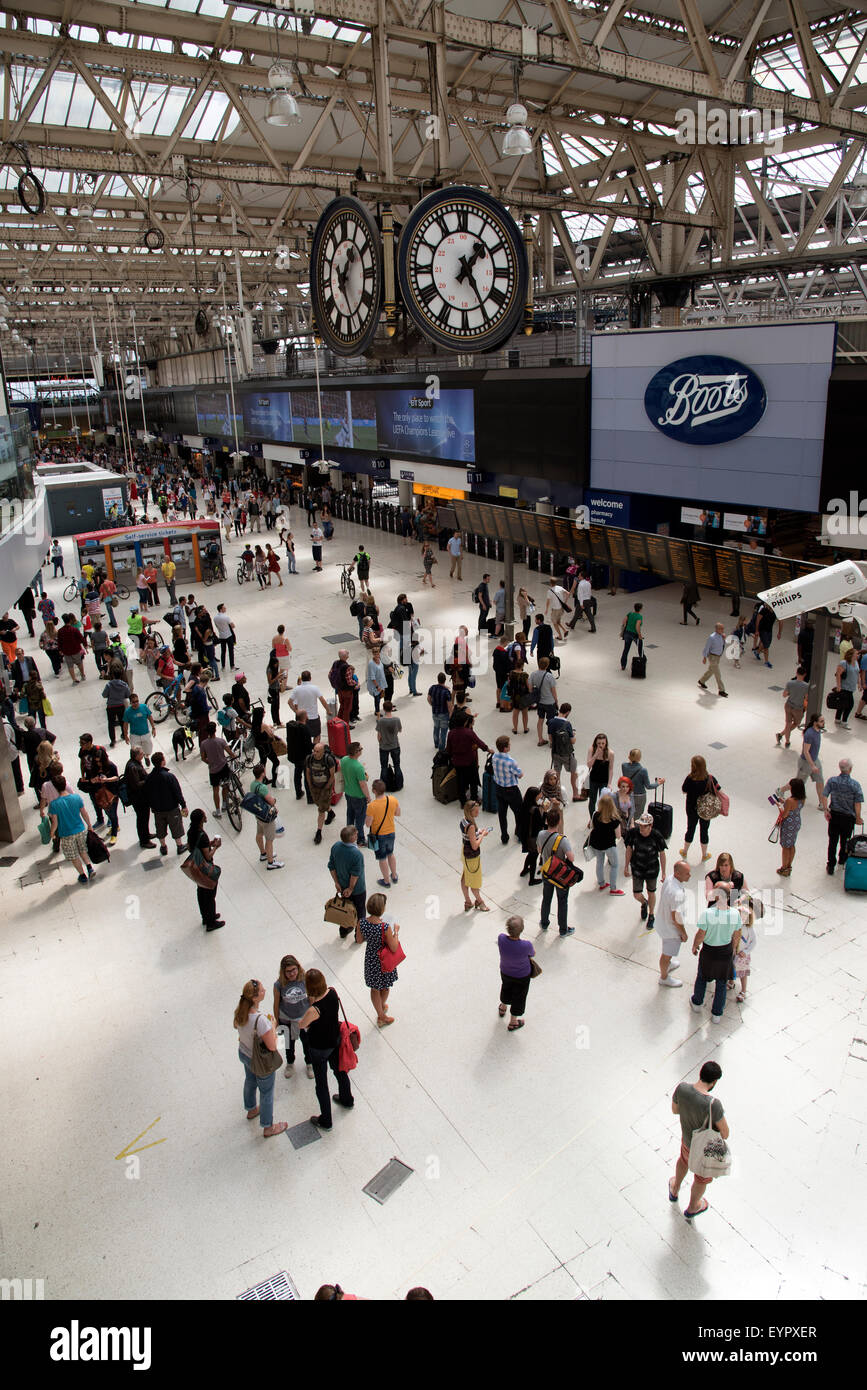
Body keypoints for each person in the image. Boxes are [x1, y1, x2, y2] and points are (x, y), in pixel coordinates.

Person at [669, 1061, 729, 1218]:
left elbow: (675, 1110)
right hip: (704, 1151)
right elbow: (725, 1132)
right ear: (714, 1081)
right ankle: (693, 1207)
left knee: (683, 1161)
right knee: (701, 1179)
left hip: (687, 1142)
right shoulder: (713, 1104)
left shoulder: (682, 1088)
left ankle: (675, 1189)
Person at [297, 968, 354, 1129]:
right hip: (335, 1041)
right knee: (340, 1071)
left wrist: (310, 1003)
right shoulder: (332, 993)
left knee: (321, 1084)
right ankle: (347, 1099)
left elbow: (302, 1025)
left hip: (319, 1048)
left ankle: (326, 1120)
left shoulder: (313, 1010)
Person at [233, 980, 287, 1136]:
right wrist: (274, 1026)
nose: (265, 991)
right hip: (260, 1060)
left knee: (250, 1081)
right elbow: (272, 1047)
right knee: (267, 1092)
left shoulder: (240, 1012)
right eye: (262, 990)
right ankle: (268, 1126)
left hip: (244, 1053)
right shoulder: (261, 1020)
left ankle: (251, 1110)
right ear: (255, 997)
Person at [689, 886, 742, 1024]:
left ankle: (697, 1003)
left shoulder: (707, 913)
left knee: (702, 978)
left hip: (709, 951)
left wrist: (695, 945)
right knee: (721, 983)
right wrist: (733, 949)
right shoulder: (735, 914)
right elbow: (737, 935)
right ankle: (717, 1014)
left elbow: (701, 934)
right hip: (725, 952)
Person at [356, 891, 401, 1025]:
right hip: (384, 960)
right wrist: (396, 932)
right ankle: (381, 1015)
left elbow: (359, 940)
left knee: (374, 988)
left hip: (371, 959)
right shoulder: (384, 927)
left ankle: (380, 1010)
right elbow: (393, 947)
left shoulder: (362, 922)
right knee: (385, 986)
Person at [624, 811, 668, 929]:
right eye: (640, 826)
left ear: (650, 826)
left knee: (651, 892)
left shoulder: (656, 836)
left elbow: (662, 854)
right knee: (636, 894)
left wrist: (664, 872)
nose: (641, 829)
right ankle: (644, 903)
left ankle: (651, 914)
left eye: (644, 826)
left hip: (651, 869)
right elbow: (629, 848)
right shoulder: (633, 833)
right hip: (637, 867)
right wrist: (626, 865)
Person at [48, 776, 95, 884]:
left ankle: (82, 875)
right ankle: (89, 867)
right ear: (65, 784)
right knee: (83, 850)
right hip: (80, 829)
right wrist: (89, 825)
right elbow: (84, 813)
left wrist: (52, 833)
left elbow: (55, 822)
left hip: (66, 833)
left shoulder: (54, 804)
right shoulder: (76, 797)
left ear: (55, 788)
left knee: (73, 856)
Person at [536, 807, 576, 935]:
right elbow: (571, 858)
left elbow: (539, 850)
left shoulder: (541, 834)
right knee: (562, 901)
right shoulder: (562, 840)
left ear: (547, 821)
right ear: (559, 822)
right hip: (560, 876)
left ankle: (544, 922)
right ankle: (563, 929)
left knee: (546, 898)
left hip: (547, 872)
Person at [273, 957, 312, 1077]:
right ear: (283, 972)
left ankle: (309, 1064)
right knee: (288, 1045)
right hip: (286, 1020)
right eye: (288, 971)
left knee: (307, 1043)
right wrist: (277, 1022)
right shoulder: (279, 984)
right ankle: (290, 1063)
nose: (292, 973)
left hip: (303, 1020)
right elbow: (276, 1003)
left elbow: (311, 999)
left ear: (298, 967)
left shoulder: (305, 979)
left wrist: (312, 1018)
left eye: (294, 969)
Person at [824, 757, 863, 874]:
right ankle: (842, 860)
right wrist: (858, 817)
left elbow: (824, 795)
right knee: (845, 841)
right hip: (848, 819)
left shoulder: (832, 781)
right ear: (850, 769)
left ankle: (831, 865)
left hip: (834, 816)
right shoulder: (855, 785)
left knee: (832, 841)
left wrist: (826, 810)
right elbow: (857, 803)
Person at [145, 751, 188, 856]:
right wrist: (183, 805)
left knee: (160, 829)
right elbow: (177, 792)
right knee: (176, 827)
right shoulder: (169, 776)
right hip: (171, 808)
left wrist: (152, 806)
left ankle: (163, 847)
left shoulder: (149, 778)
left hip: (158, 810)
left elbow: (147, 793)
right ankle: (179, 846)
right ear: (162, 762)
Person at [497, 915, 535, 1031]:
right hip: (522, 976)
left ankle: (503, 1007)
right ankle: (513, 1021)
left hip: (505, 971)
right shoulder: (526, 945)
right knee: (519, 996)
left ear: (507, 928)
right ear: (522, 930)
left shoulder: (501, 938)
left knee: (506, 988)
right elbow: (532, 954)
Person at [655, 862, 690, 987]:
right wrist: (683, 933)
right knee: (666, 954)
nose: (690, 875)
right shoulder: (677, 893)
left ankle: (668, 964)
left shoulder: (670, 879)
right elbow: (676, 917)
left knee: (667, 952)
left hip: (662, 921)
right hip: (670, 929)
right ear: (677, 873)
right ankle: (664, 977)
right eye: (687, 873)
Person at [680, 754, 721, 862]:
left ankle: (684, 851)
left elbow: (684, 790)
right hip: (706, 810)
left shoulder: (690, 778)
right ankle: (704, 854)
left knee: (690, 829)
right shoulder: (710, 778)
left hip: (692, 808)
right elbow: (718, 789)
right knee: (704, 831)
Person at [328, 825, 367, 935]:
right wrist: (350, 888)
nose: (357, 834)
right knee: (360, 911)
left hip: (342, 886)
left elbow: (331, 866)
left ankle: (344, 930)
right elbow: (355, 874)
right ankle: (359, 934)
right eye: (356, 833)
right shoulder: (356, 854)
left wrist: (336, 882)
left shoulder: (336, 847)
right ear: (352, 837)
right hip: (357, 889)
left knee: (345, 909)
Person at [446, 715, 489, 805]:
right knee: (473, 781)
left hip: (457, 762)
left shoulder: (451, 733)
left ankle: (463, 801)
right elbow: (479, 742)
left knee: (460, 782)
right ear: (465, 722)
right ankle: (474, 799)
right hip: (470, 760)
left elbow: (448, 749)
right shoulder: (469, 732)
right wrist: (487, 749)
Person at [249, 763, 284, 870]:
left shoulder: (253, 784)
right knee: (269, 839)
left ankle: (263, 853)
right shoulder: (263, 787)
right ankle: (271, 862)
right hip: (266, 817)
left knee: (259, 834)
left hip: (258, 815)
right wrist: (274, 801)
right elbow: (270, 800)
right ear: (263, 774)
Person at [588, 792, 624, 895]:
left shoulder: (595, 815)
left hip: (597, 844)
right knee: (615, 865)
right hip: (609, 845)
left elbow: (591, 827)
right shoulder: (615, 819)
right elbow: (618, 836)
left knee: (599, 863)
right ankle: (613, 889)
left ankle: (601, 883)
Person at [365, 779, 399, 887]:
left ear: (374, 791)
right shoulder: (392, 799)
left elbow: (368, 824)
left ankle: (386, 881)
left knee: (382, 858)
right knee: (391, 853)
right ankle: (394, 875)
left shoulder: (372, 806)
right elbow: (398, 813)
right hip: (391, 832)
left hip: (379, 836)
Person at [491, 734, 523, 843]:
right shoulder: (510, 761)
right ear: (505, 748)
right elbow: (520, 774)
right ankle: (519, 833)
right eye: (509, 745)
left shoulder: (494, 757)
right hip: (511, 790)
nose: (510, 746)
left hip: (499, 788)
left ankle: (504, 836)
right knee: (519, 812)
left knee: (502, 813)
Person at [305, 740, 337, 845]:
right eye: (314, 750)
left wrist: (327, 788)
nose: (315, 753)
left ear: (323, 752)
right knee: (319, 804)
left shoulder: (328, 760)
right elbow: (308, 772)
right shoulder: (309, 759)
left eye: (317, 751)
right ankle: (331, 812)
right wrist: (310, 785)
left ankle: (319, 831)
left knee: (320, 810)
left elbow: (332, 775)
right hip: (314, 787)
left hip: (325, 788)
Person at [124, 746, 155, 848]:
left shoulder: (135, 763)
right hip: (138, 799)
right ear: (136, 755)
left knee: (145, 818)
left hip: (141, 797)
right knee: (142, 818)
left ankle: (146, 834)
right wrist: (148, 779)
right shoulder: (132, 767)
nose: (143, 755)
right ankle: (144, 840)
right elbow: (136, 784)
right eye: (141, 753)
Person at [620, 749, 664, 820]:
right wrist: (658, 783)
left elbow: (627, 765)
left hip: (628, 795)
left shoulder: (624, 766)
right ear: (639, 758)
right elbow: (648, 786)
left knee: (627, 816)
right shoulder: (643, 770)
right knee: (637, 817)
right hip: (640, 796)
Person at [797, 712, 827, 809]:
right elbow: (806, 751)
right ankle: (781, 790)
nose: (824, 723)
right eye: (821, 721)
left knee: (820, 780)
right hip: (806, 762)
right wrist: (812, 765)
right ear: (815, 722)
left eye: (823, 721)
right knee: (799, 783)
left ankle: (822, 803)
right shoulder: (809, 734)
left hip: (815, 760)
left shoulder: (818, 730)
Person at [289, 670, 329, 741]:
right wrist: (328, 710)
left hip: (301, 718)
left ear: (302, 678)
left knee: (303, 737)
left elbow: (290, 702)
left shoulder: (297, 689)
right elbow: (322, 700)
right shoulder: (315, 688)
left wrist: (296, 712)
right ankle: (315, 750)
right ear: (310, 678)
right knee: (316, 735)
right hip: (313, 716)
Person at [286, 708, 314, 801]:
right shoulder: (304, 728)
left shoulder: (291, 727)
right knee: (307, 776)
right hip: (304, 756)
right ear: (304, 717)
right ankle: (310, 797)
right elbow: (308, 744)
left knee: (297, 774)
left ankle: (298, 793)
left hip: (294, 756)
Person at [530, 657, 558, 746]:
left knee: (540, 720)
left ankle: (540, 739)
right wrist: (556, 701)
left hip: (540, 702)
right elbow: (553, 690)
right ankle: (551, 741)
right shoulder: (549, 676)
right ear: (547, 665)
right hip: (550, 702)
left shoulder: (533, 674)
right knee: (551, 722)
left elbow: (530, 688)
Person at [122, 692, 156, 765]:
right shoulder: (127, 712)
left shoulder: (144, 707)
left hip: (145, 733)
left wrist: (153, 728)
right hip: (135, 736)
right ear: (130, 703)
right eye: (134, 702)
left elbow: (150, 717)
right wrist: (125, 735)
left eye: (137, 701)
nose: (136, 703)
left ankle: (146, 756)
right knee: (135, 753)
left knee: (148, 749)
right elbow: (125, 724)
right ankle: (138, 764)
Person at [586, 732, 614, 817]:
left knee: (603, 802)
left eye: (603, 743)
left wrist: (609, 783)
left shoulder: (610, 753)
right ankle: (592, 818)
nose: (601, 745)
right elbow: (588, 765)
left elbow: (611, 769)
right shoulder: (592, 749)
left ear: (606, 743)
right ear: (595, 743)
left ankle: (601, 818)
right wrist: (596, 755)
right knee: (592, 801)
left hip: (604, 780)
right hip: (593, 779)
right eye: (599, 743)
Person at [57, 614, 87, 683]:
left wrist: (60, 650)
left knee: (70, 666)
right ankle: (82, 675)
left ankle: (74, 679)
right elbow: (81, 637)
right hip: (76, 649)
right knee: (79, 663)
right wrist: (85, 644)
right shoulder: (74, 629)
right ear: (70, 620)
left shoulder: (60, 631)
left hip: (66, 651)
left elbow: (59, 641)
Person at [833, 647, 859, 727]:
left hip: (851, 687)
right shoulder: (844, 663)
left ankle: (837, 719)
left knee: (842, 703)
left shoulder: (856, 662)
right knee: (850, 704)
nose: (858, 655)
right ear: (852, 655)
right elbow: (838, 674)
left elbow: (857, 673)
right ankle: (844, 721)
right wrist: (838, 686)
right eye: (856, 654)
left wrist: (859, 683)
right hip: (844, 687)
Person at [428, 671, 453, 750]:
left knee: (436, 728)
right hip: (444, 714)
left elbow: (428, 699)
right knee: (443, 731)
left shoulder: (432, 688)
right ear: (445, 680)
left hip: (435, 712)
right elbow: (449, 706)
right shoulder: (447, 692)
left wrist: (433, 705)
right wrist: (451, 714)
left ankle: (436, 743)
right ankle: (441, 748)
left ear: (438, 679)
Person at [619, 602, 643, 671]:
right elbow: (637, 626)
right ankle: (643, 659)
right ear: (640, 609)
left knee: (626, 649)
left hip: (627, 633)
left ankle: (623, 665)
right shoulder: (639, 616)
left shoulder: (630, 613)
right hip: (634, 634)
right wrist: (640, 635)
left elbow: (624, 622)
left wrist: (622, 632)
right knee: (640, 647)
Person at [214, 605, 236, 675]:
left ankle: (223, 666)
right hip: (228, 635)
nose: (225, 608)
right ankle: (232, 666)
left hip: (221, 636)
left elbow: (216, 626)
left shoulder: (215, 618)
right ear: (221, 609)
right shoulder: (226, 617)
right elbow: (233, 626)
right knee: (231, 651)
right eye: (224, 607)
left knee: (223, 651)